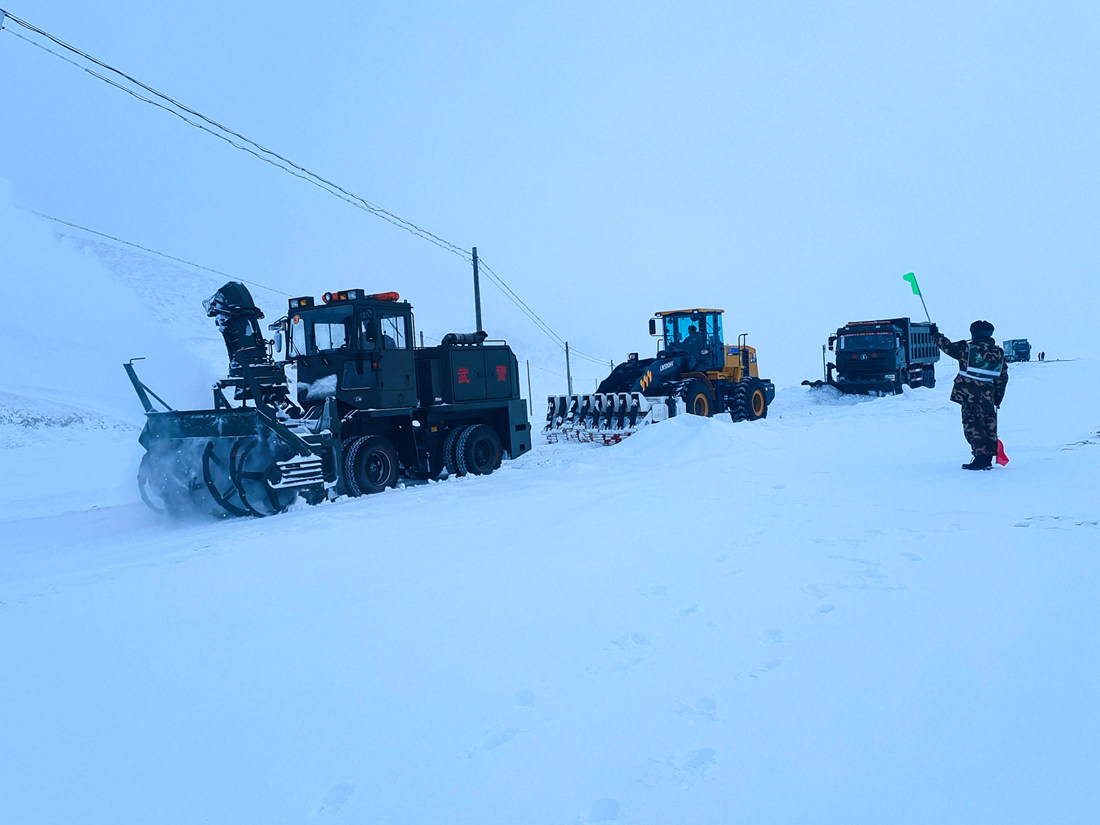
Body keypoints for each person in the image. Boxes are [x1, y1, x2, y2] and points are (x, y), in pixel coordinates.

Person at [931, 320, 1008, 470]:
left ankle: (980, 459)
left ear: (973, 333)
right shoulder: (998, 352)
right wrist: (998, 396)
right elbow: (1003, 376)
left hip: (969, 395)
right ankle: (987, 458)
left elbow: (947, 346)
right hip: (988, 396)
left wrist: (935, 334)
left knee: (973, 426)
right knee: (989, 425)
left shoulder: (966, 349)